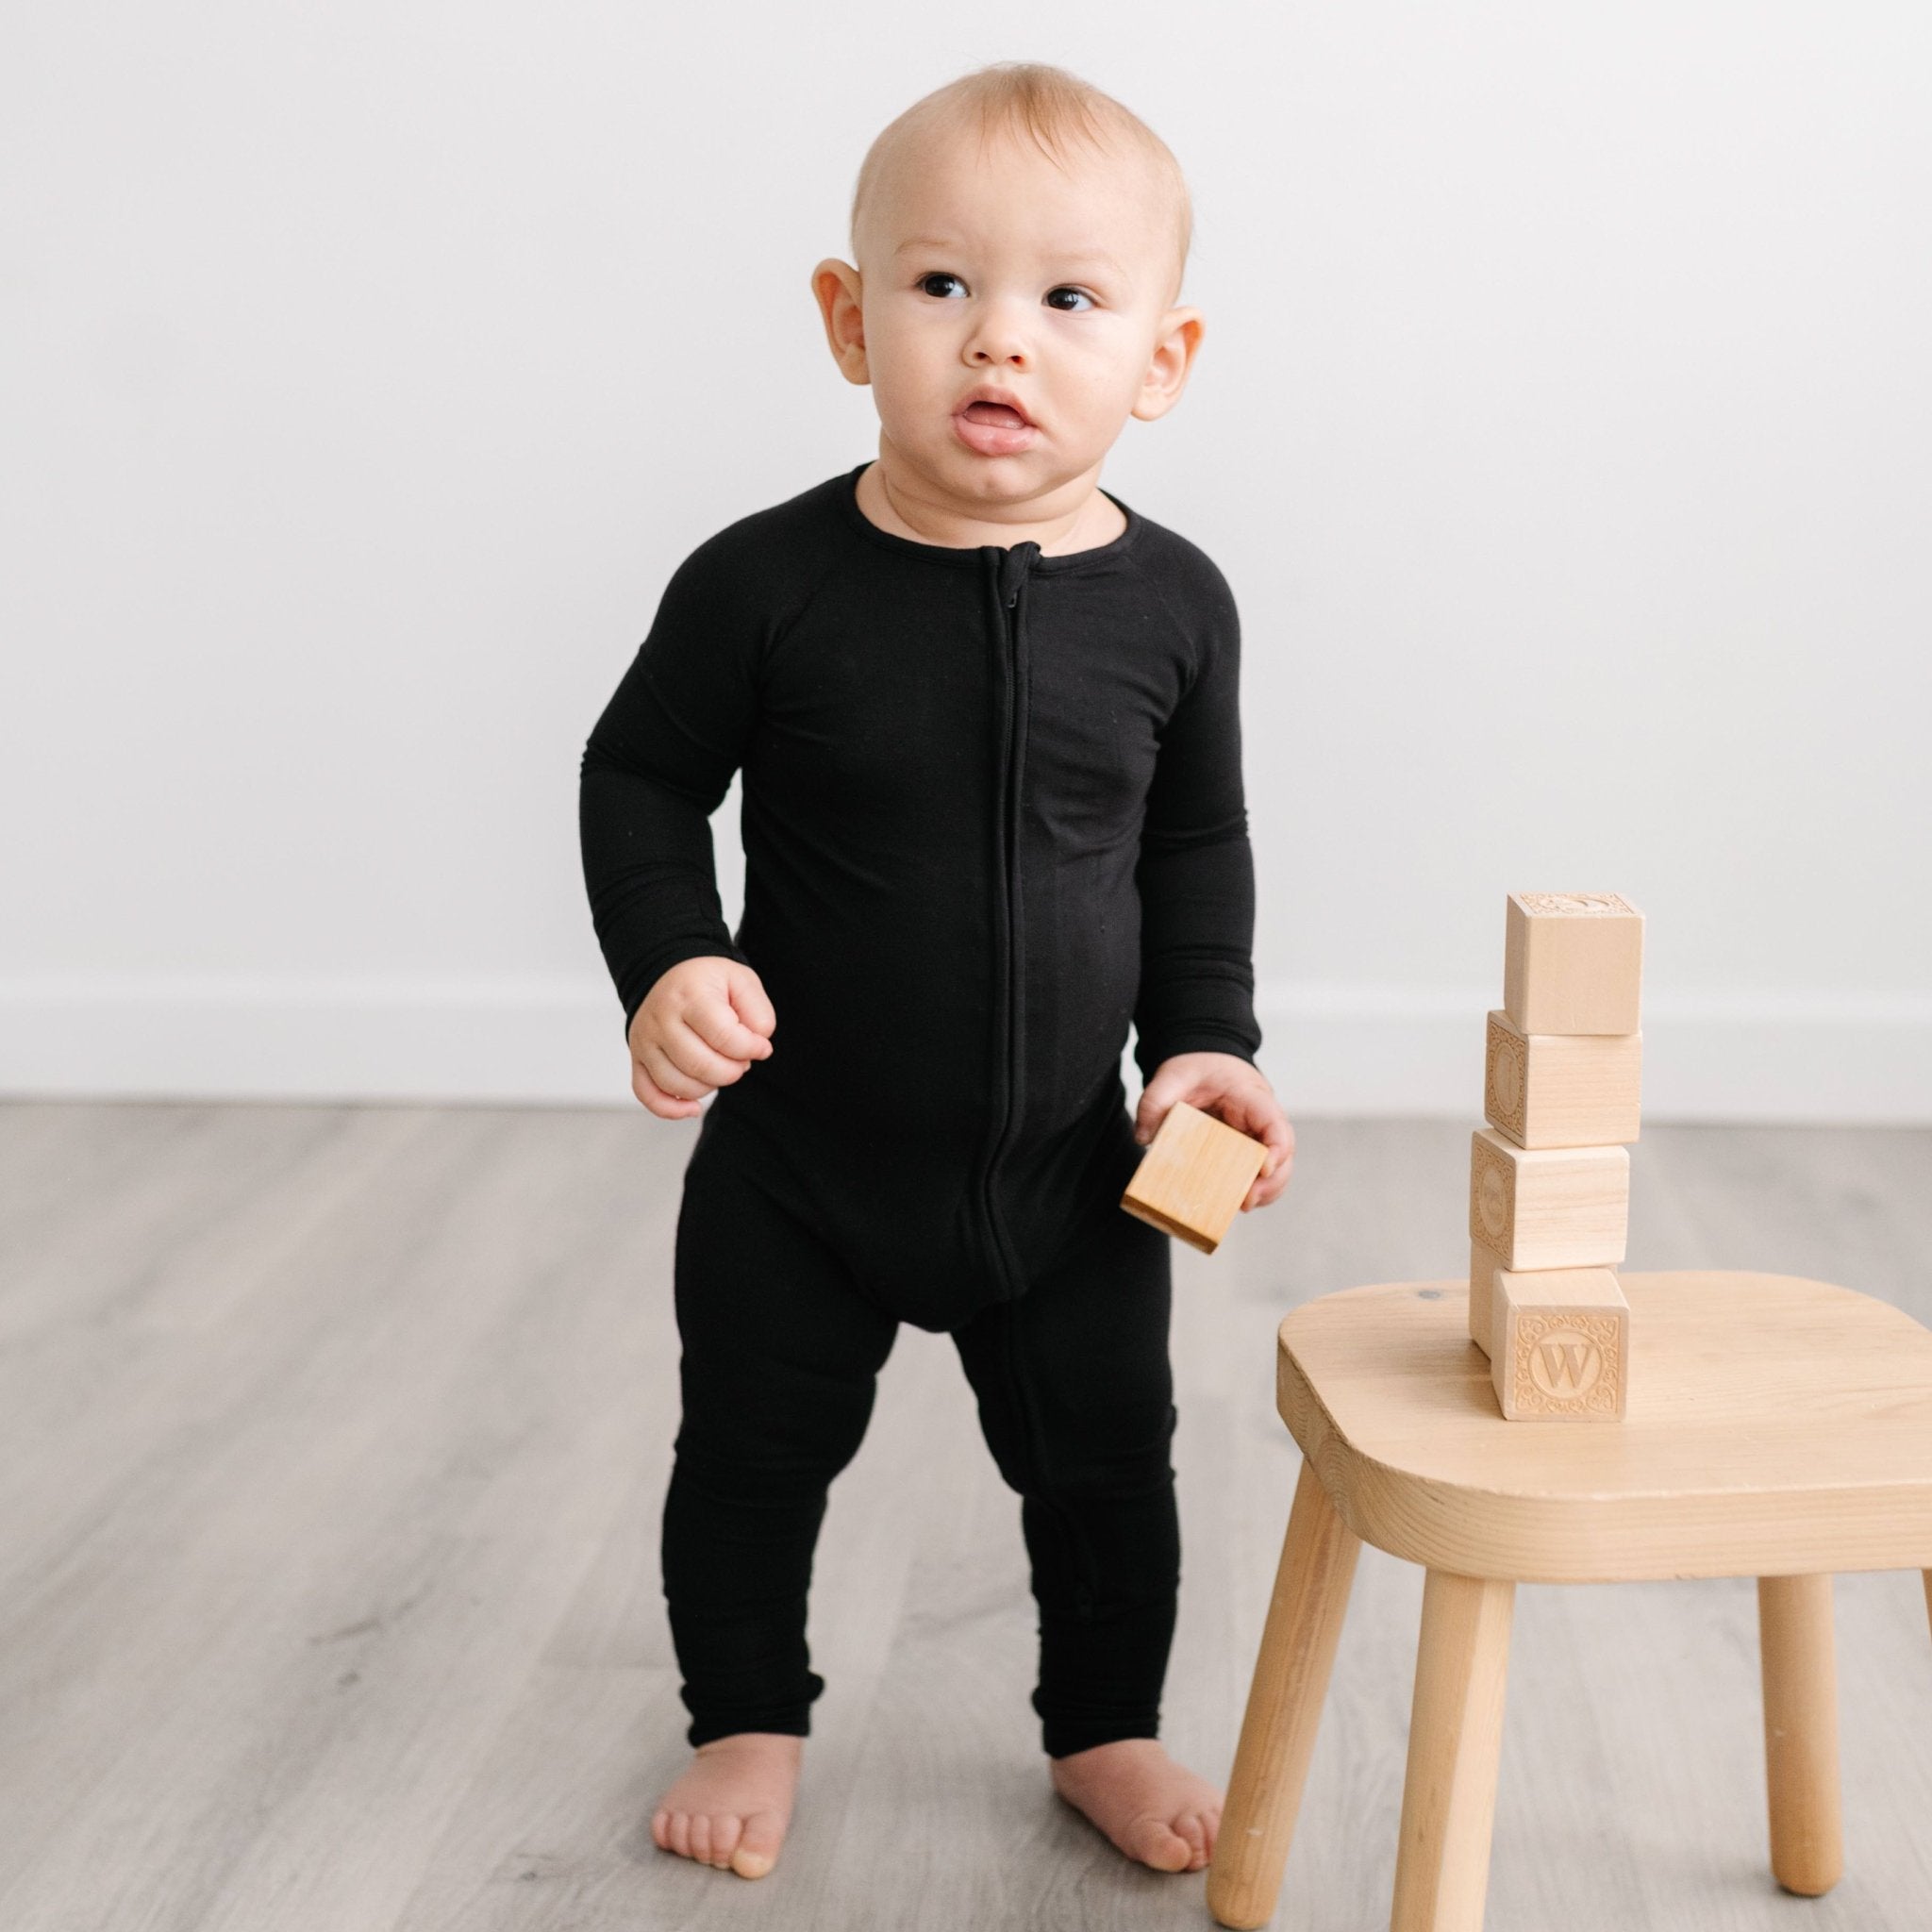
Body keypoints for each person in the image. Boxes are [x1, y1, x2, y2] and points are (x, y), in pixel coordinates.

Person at [577, 58, 1294, 1885]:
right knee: (751, 1456)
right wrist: (669, 955)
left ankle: (1103, 1724)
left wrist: (1206, 1043)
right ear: (849, 318)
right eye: (942, 283)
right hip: (802, 1167)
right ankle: (747, 1712)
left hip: (1067, 1174)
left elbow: (1193, 848)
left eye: (1069, 298)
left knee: (1109, 1469)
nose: (999, 340)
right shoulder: (763, 586)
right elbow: (640, 776)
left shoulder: (1178, 606)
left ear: (1162, 359)